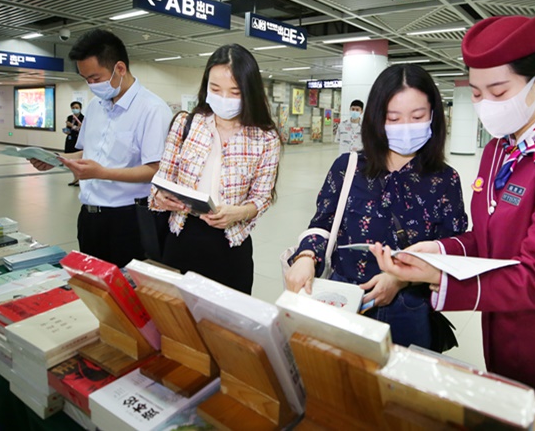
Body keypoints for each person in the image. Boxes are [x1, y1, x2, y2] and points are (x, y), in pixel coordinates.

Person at [373, 14, 535, 413]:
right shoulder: (500, 148)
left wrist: (439, 277)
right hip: (507, 340)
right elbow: (489, 239)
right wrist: (438, 250)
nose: (485, 105)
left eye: (498, 90)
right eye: (476, 93)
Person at [284, 65, 468, 349]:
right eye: (393, 118)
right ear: (376, 119)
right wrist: (306, 256)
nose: (405, 127)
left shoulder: (445, 180)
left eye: (417, 117)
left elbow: (450, 251)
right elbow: (322, 223)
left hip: (408, 308)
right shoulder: (348, 167)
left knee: (399, 388)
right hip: (343, 297)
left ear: (433, 116)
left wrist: (400, 279)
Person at [29, 29, 172, 267]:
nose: (91, 85)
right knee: (95, 289)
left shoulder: (152, 109)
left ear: (120, 69)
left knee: (127, 295)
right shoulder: (96, 106)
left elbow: (156, 169)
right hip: (90, 217)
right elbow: (88, 153)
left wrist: (101, 173)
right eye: (86, 80)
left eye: (95, 78)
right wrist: (58, 159)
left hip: (130, 220)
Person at [149, 44, 281, 294]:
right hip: (182, 236)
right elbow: (160, 182)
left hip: (230, 244)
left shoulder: (265, 138)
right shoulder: (185, 124)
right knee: (178, 322)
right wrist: (160, 197)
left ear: (249, 92)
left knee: (225, 327)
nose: (224, 99)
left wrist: (238, 212)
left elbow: (262, 198)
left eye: (235, 92)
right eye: (216, 89)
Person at [64, 101, 84, 186]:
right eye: (73, 108)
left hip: (78, 140)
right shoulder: (70, 117)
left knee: (78, 161)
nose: (75, 109)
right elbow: (68, 129)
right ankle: (75, 177)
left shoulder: (83, 118)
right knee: (70, 161)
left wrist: (73, 126)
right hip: (70, 140)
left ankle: (80, 179)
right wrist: (67, 130)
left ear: (80, 108)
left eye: (76, 107)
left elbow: (82, 130)